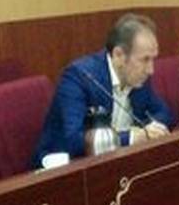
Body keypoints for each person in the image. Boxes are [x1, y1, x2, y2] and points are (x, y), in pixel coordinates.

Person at [33, 13, 171, 166]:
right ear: (119, 55)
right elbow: (75, 140)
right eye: (145, 60)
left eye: (153, 59)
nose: (151, 70)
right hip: (65, 167)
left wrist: (147, 131)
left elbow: (164, 113)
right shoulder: (79, 77)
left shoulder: (138, 77)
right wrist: (131, 137)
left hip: (116, 162)